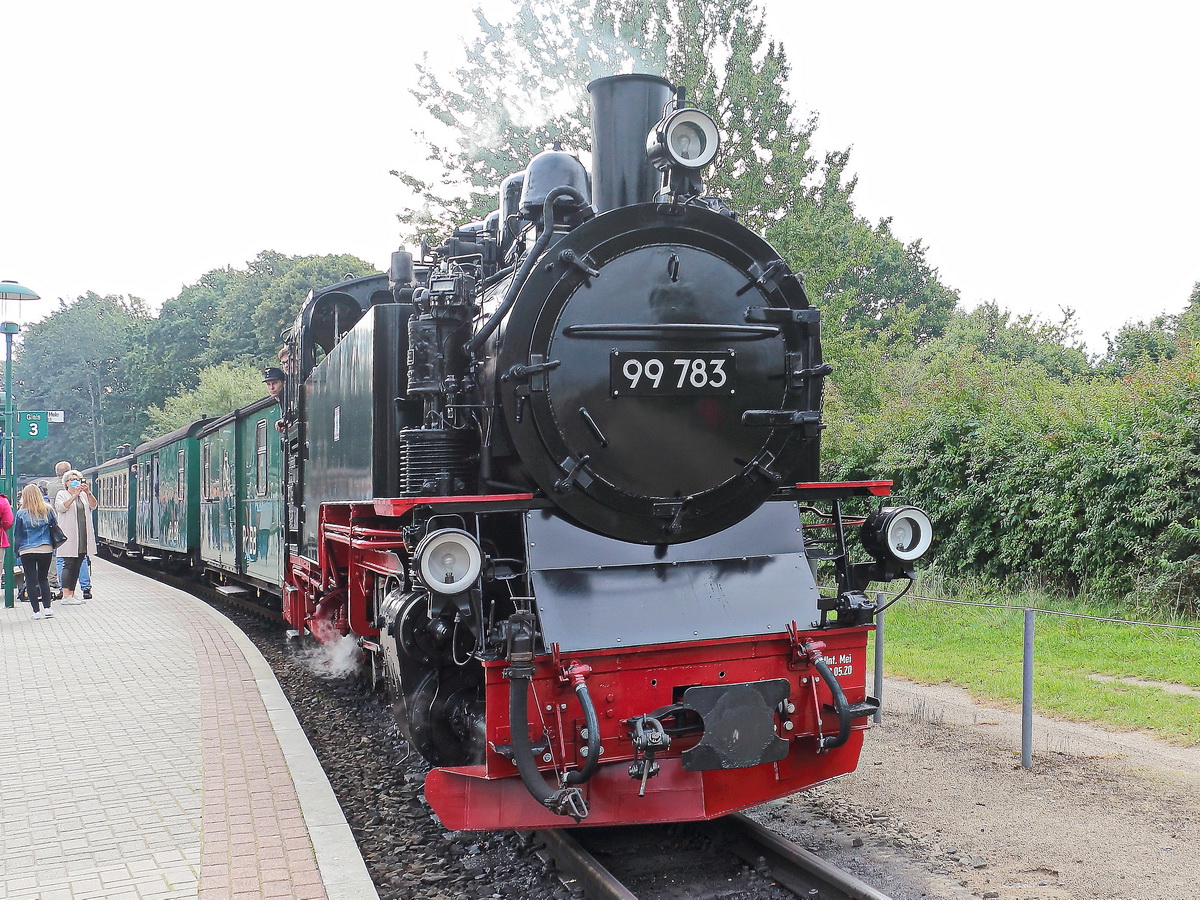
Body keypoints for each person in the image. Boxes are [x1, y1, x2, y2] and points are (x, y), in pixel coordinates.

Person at [12, 483, 57, 619]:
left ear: (24, 496)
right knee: (43, 578)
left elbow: (17, 534)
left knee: (30, 579)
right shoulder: (48, 510)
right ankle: (48, 608)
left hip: (27, 550)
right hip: (45, 548)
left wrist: (16, 551)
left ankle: (36, 612)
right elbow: (55, 526)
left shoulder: (21, 513)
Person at [54, 468, 98, 605]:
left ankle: (72, 594)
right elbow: (61, 507)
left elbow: (93, 505)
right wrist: (74, 496)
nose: (74, 482)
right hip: (69, 535)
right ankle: (65, 595)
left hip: (82, 535)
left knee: (77, 564)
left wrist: (88, 492)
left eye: (77, 479)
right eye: (71, 480)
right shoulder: (62, 494)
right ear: (66, 483)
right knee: (68, 564)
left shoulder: (83, 495)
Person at [264, 366, 287, 433]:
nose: (271, 387)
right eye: (268, 384)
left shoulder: (284, 396)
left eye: (275, 383)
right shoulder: (281, 398)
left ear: (283, 383)